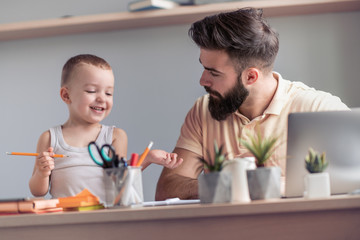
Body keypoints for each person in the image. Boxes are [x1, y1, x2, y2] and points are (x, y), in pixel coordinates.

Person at [155, 8, 349, 200]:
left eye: (213, 73)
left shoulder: (318, 108)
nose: (202, 80)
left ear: (251, 76)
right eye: (203, 68)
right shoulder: (202, 111)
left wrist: (262, 183)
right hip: (225, 230)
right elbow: (168, 188)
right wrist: (234, 183)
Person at [29, 54, 183, 202]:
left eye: (109, 93)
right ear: (66, 95)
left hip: (104, 219)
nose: (102, 98)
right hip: (64, 221)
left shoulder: (115, 136)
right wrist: (43, 173)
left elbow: (120, 179)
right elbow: (37, 191)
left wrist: (148, 157)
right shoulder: (49, 138)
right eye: (91, 91)